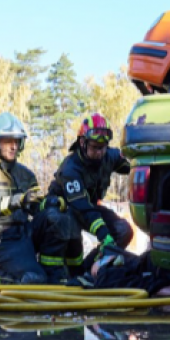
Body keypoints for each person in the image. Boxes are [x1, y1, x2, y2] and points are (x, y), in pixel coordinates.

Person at [0, 112, 77, 284]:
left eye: (17, 141)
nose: (13, 146)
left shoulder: (26, 175)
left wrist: (50, 203)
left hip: (25, 233)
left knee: (57, 218)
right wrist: (18, 200)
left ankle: (54, 275)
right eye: (8, 141)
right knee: (33, 280)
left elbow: (34, 207)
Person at [47, 113, 133, 272]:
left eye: (103, 147)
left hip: (89, 206)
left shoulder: (109, 155)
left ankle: (88, 271)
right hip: (64, 209)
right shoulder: (70, 168)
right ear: (82, 142)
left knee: (123, 231)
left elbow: (133, 164)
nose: (100, 152)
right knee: (73, 243)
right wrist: (103, 234)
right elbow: (81, 207)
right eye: (95, 147)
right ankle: (66, 274)